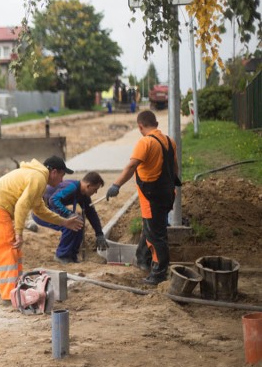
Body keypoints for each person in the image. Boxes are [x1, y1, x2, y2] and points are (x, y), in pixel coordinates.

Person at [0, 156, 84, 301]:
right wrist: (19, 232)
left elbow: (40, 210)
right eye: (61, 175)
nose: (61, 181)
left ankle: (16, 289)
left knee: (14, 249)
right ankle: (10, 296)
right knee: (8, 248)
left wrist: (64, 222)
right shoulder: (38, 177)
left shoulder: (37, 177)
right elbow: (22, 205)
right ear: (54, 171)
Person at [105, 110, 181, 285]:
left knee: (156, 236)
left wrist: (116, 185)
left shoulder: (145, 142)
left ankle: (159, 273)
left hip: (151, 198)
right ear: (156, 123)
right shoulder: (170, 141)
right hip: (167, 195)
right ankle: (142, 259)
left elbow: (132, 166)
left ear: (140, 126)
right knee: (151, 229)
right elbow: (174, 167)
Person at [33, 171, 108, 264]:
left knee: (78, 221)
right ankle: (61, 256)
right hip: (40, 213)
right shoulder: (72, 187)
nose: (95, 192)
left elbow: (91, 213)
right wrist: (68, 214)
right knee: (71, 222)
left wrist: (99, 234)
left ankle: (71, 256)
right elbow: (53, 200)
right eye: (95, 189)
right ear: (88, 186)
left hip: (50, 211)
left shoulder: (83, 194)